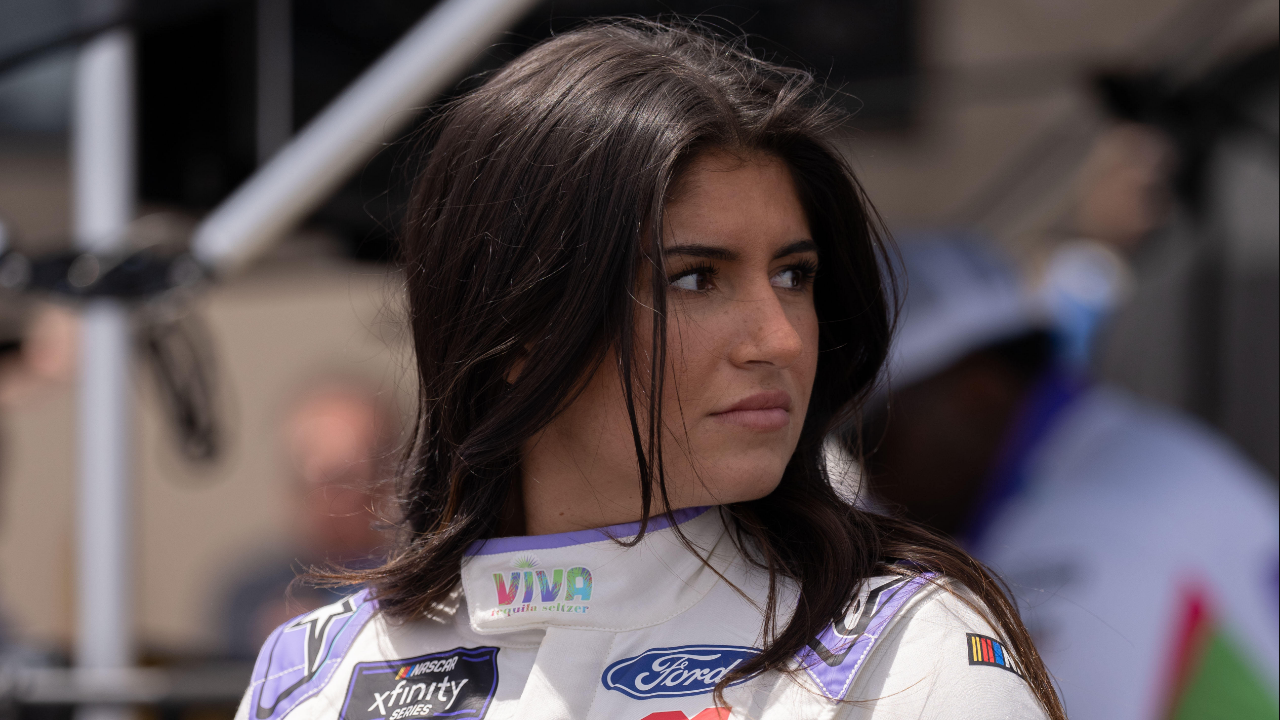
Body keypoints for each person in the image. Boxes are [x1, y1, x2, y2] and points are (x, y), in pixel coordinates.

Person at [235, 20, 1064, 720]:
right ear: (520, 325)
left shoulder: (900, 656)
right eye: (696, 279)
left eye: (793, 276)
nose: (776, 337)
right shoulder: (316, 678)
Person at [859, 235, 1278, 719]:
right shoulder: (1118, 449)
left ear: (978, 394)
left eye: (868, 433)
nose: (865, 471)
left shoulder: (1082, 527)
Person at [220, 378, 397, 659]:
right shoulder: (252, 593)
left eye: (342, 478)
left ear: (385, 479)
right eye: (306, 477)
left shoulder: (416, 583)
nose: (324, 496)